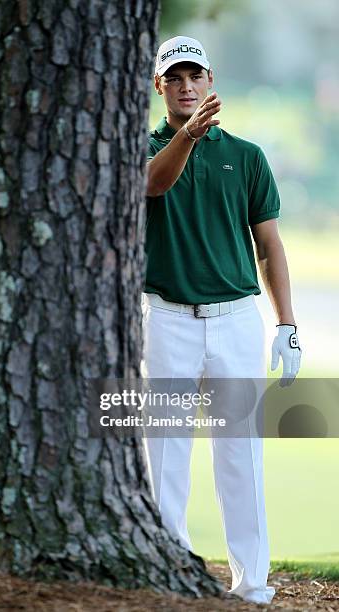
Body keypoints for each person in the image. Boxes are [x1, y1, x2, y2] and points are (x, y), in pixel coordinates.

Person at [141, 35, 302, 605]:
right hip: (165, 320)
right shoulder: (144, 149)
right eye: (175, 78)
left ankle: (252, 585)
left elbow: (270, 247)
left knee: (241, 457)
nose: (187, 86)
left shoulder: (249, 156)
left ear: (211, 83)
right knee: (165, 458)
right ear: (160, 86)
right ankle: (171, 578)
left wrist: (287, 324)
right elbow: (153, 185)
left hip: (236, 321)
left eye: (196, 76)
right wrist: (188, 135)